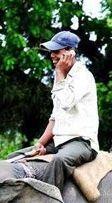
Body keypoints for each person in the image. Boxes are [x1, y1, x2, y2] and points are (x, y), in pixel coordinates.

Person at [33, 30, 99, 189]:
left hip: (82, 143)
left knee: (59, 160)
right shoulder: (60, 77)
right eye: (51, 52)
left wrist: (60, 73)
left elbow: (67, 103)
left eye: (56, 51)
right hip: (59, 141)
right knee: (17, 157)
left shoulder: (83, 76)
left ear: (70, 52)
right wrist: (41, 143)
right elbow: (55, 117)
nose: (52, 55)